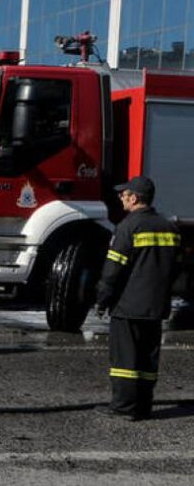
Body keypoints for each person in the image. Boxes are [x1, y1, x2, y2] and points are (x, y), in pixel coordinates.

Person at [94, 176, 182, 420]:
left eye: (124, 194)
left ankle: (123, 407)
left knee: (125, 359)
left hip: (128, 306)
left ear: (134, 198)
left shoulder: (128, 227)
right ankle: (143, 407)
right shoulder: (169, 227)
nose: (121, 197)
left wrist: (102, 298)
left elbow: (113, 269)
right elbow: (176, 269)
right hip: (156, 306)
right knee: (147, 359)